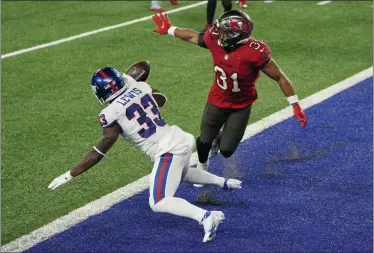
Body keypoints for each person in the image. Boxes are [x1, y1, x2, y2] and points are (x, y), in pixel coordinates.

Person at [47, 66, 242, 243]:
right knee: (180, 173)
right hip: (178, 137)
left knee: (158, 201)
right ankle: (222, 182)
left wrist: (70, 174)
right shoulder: (139, 86)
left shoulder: (110, 113)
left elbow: (99, 151)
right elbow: (148, 75)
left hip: (167, 149)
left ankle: (206, 217)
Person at [152, 11, 308, 180]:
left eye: (223, 32)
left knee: (226, 150)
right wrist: (169, 29)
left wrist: (295, 104)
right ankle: (202, 165)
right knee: (204, 141)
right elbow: (192, 36)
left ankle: (217, 137)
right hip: (216, 101)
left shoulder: (255, 51)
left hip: (241, 107)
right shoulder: (215, 38)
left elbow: (279, 77)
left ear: (236, 35)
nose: (218, 34)